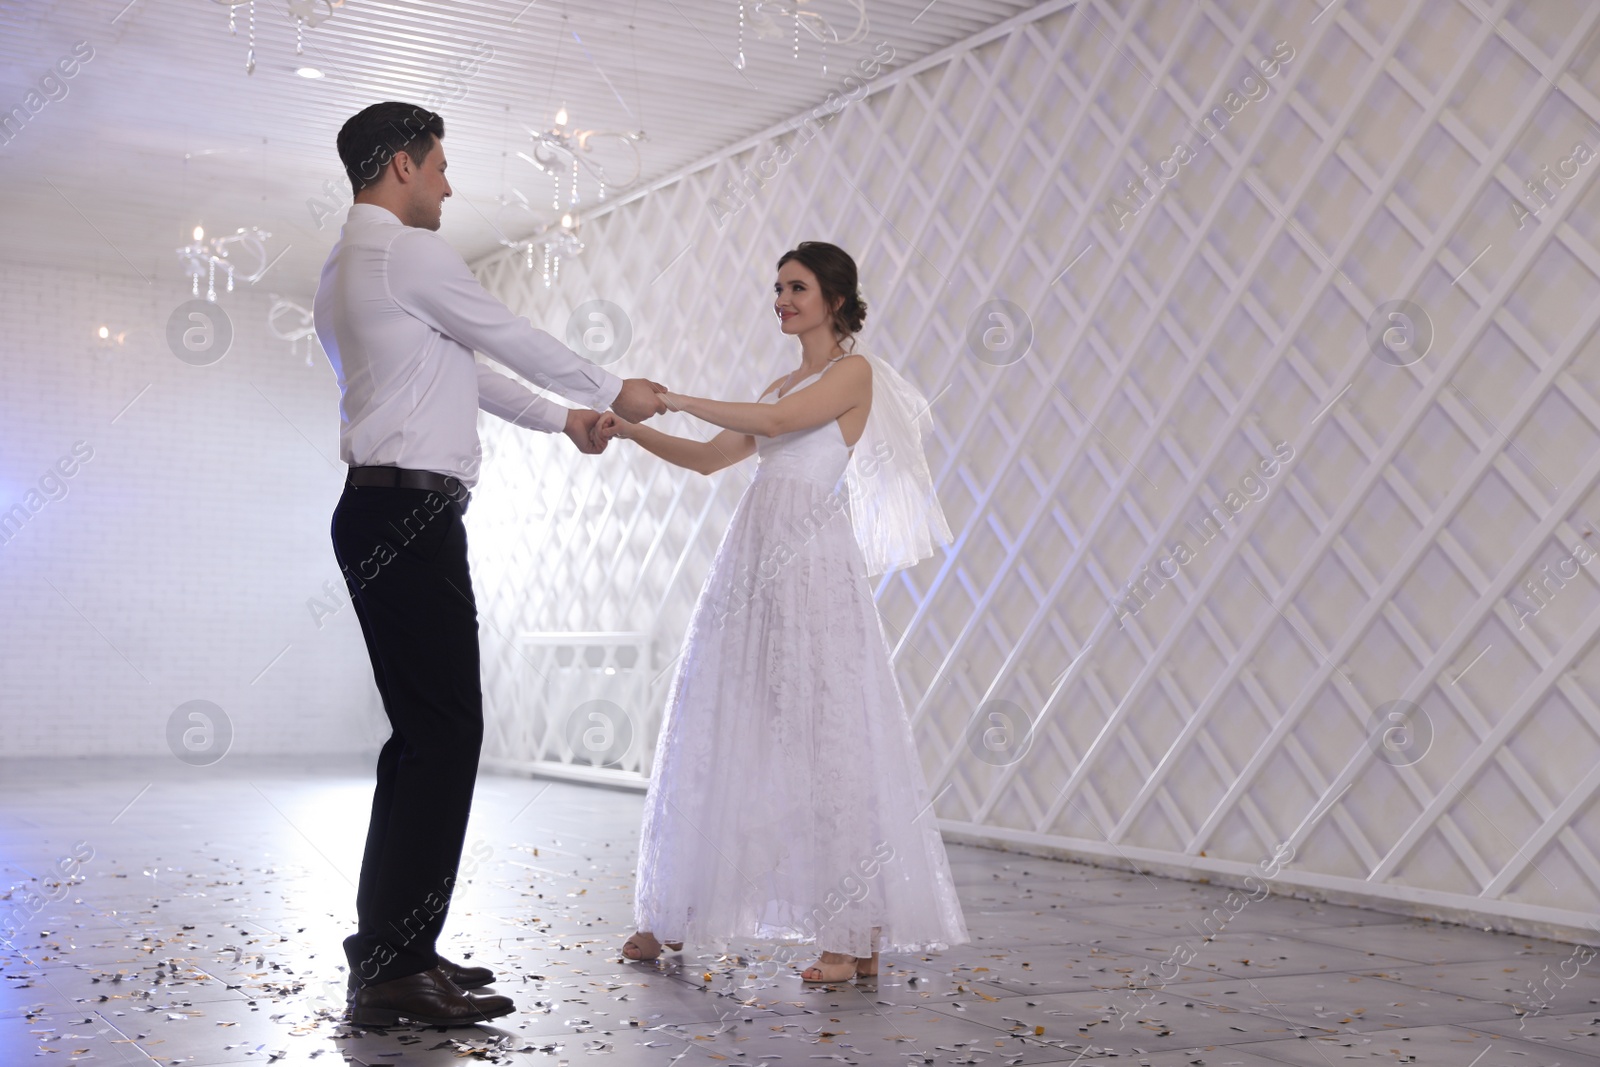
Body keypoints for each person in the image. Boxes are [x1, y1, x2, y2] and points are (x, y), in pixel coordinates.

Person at [313, 101, 668, 1027]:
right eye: (437, 166)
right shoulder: (407, 251)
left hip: (379, 508)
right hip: (410, 513)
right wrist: (607, 388)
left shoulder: (342, 269)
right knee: (444, 735)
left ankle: (395, 952)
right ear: (398, 166)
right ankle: (395, 967)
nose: (448, 183)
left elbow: (457, 368)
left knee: (422, 737)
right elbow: (507, 333)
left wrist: (564, 420)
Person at [596, 241, 968, 984]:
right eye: (776, 288)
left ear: (835, 299)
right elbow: (711, 459)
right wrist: (634, 430)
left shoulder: (850, 374)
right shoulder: (779, 383)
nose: (782, 299)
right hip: (754, 557)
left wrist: (669, 395)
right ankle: (674, 913)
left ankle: (849, 930)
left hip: (811, 559)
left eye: (796, 287)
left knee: (823, 729)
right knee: (723, 711)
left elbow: (780, 422)